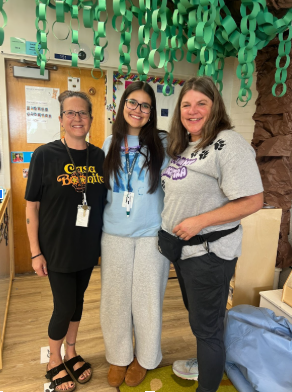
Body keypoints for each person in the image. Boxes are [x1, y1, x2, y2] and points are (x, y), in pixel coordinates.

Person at [160, 76, 264, 392]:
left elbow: (253, 200)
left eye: (201, 103)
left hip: (208, 253)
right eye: (187, 104)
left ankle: (208, 383)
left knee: (207, 328)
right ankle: (205, 363)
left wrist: (198, 222)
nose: (193, 111)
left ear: (215, 106)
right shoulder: (186, 145)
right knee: (201, 320)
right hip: (185, 250)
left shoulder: (228, 144)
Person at [25, 91, 107, 392]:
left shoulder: (98, 156)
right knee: (63, 306)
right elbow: (31, 205)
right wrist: (35, 253)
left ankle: (71, 351)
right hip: (56, 247)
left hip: (87, 247)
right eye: (70, 113)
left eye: (82, 113)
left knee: (78, 302)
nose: (77, 118)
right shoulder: (45, 155)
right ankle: (54, 360)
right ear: (61, 119)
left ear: (90, 119)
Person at [100, 81, 170, 388]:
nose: (137, 110)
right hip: (114, 232)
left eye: (144, 105)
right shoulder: (108, 143)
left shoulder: (163, 143)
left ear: (151, 112)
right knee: (115, 299)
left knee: (147, 299)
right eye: (132, 102)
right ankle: (118, 356)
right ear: (122, 105)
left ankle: (146, 357)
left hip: (151, 233)